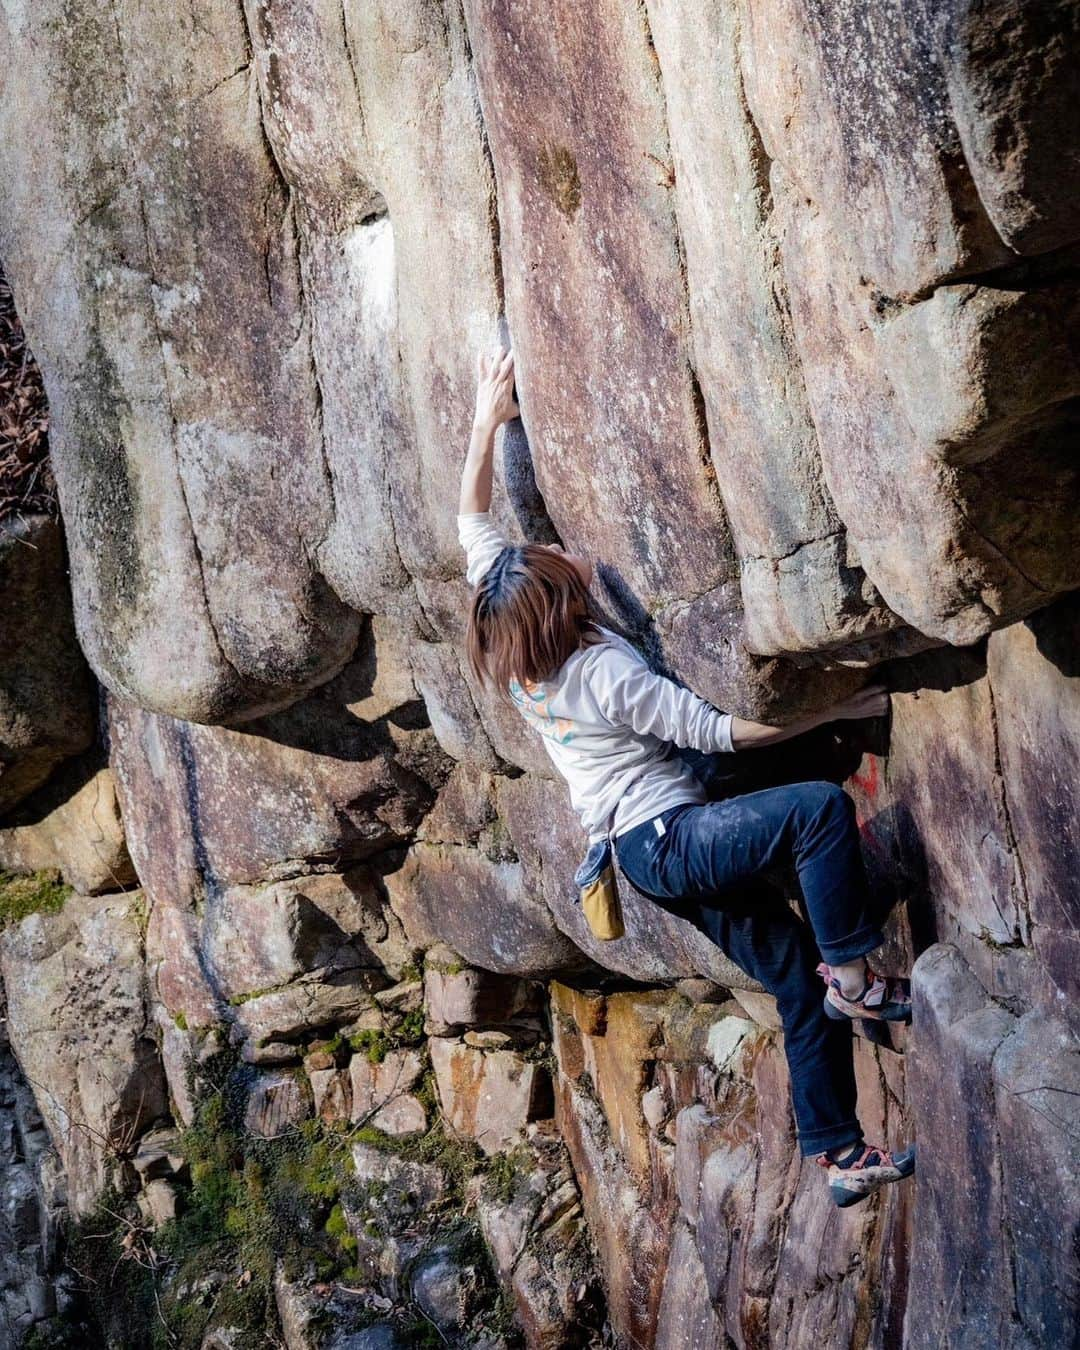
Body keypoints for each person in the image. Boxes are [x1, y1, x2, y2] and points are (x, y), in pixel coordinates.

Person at [457, 343, 915, 1208]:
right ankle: (858, 980)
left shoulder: (507, 630)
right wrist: (835, 712)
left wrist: (488, 418)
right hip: (672, 838)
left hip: (645, 850)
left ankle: (839, 1155)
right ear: (559, 611)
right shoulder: (599, 676)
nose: (571, 563)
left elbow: (470, 522)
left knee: (791, 977)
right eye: (563, 576)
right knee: (817, 811)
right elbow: (714, 730)